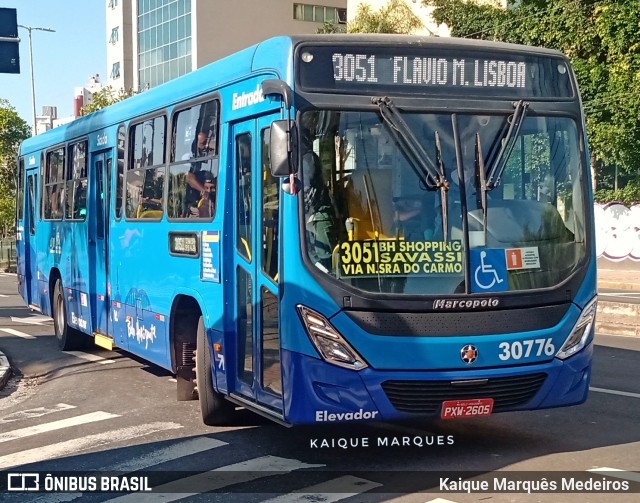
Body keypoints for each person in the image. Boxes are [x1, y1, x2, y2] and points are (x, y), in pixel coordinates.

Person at [300, 114, 339, 272]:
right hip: (310, 216)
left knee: (323, 259)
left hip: (318, 216)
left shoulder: (308, 158)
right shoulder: (302, 158)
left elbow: (307, 189)